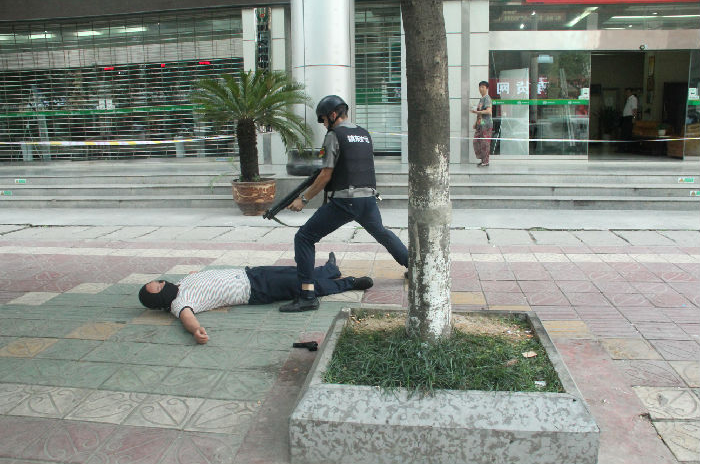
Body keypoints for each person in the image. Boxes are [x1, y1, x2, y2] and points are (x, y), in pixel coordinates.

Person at [282, 95, 409, 313]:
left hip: (346, 201)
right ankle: (415, 268)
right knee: (382, 233)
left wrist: (303, 200)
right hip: (368, 199)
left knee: (304, 238)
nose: (323, 124)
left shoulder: (334, 135)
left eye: (323, 119)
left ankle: (307, 295)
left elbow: (325, 175)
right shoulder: (363, 133)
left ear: (333, 115)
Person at [138, 253, 372, 344]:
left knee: (295, 272)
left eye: (158, 281)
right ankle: (350, 283)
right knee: (303, 285)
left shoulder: (180, 284)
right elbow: (187, 318)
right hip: (256, 289)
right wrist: (196, 331)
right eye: (158, 287)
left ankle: (329, 269)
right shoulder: (179, 303)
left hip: (251, 273)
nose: (162, 283)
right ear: (159, 300)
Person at [471, 81, 493, 167]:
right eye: (480, 87)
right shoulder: (481, 99)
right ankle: (483, 159)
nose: (481, 89)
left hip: (486, 124)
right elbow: (480, 113)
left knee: (485, 143)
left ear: (487, 88)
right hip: (480, 124)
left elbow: (488, 111)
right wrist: (475, 123)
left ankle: (485, 161)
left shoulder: (487, 98)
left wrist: (477, 112)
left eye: (483, 87)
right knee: (476, 142)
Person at [621, 88, 638, 152]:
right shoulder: (628, 99)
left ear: (631, 92)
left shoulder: (633, 99)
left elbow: (634, 110)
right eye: (626, 92)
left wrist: (634, 118)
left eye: (628, 92)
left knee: (627, 133)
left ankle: (627, 148)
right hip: (626, 118)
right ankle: (623, 148)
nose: (627, 93)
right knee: (624, 133)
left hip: (629, 118)